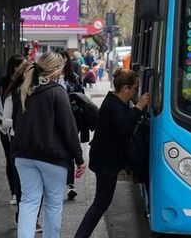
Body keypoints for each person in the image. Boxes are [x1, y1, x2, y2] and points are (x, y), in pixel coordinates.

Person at [11, 52, 87, 238]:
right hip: (52, 157)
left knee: (28, 202)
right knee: (53, 204)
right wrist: (79, 158)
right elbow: (69, 129)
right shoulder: (57, 92)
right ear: (58, 69)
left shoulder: (24, 89)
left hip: (22, 155)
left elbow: (15, 122)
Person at [74, 68, 150, 238]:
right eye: (135, 88)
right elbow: (123, 126)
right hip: (106, 162)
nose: (136, 92)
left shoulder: (114, 101)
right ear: (125, 88)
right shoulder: (114, 105)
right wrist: (139, 107)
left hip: (105, 160)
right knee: (101, 203)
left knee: (101, 202)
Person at [0, 54, 27, 206]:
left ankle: (22, 191)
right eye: (24, 65)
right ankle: (15, 192)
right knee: (11, 162)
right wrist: (2, 122)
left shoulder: (27, 82)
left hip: (24, 129)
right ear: (15, 67)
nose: (27, 67)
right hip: (6, 130)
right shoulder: (0, 84)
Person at [55, 49, 85, 200]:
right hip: (53, 121)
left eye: (64, 58)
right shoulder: (48, 78)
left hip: (72, 118)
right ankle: (59, 181)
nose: (62, 61)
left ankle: (69, 185)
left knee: (70, 148)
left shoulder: (74, 77)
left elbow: (82, 96)